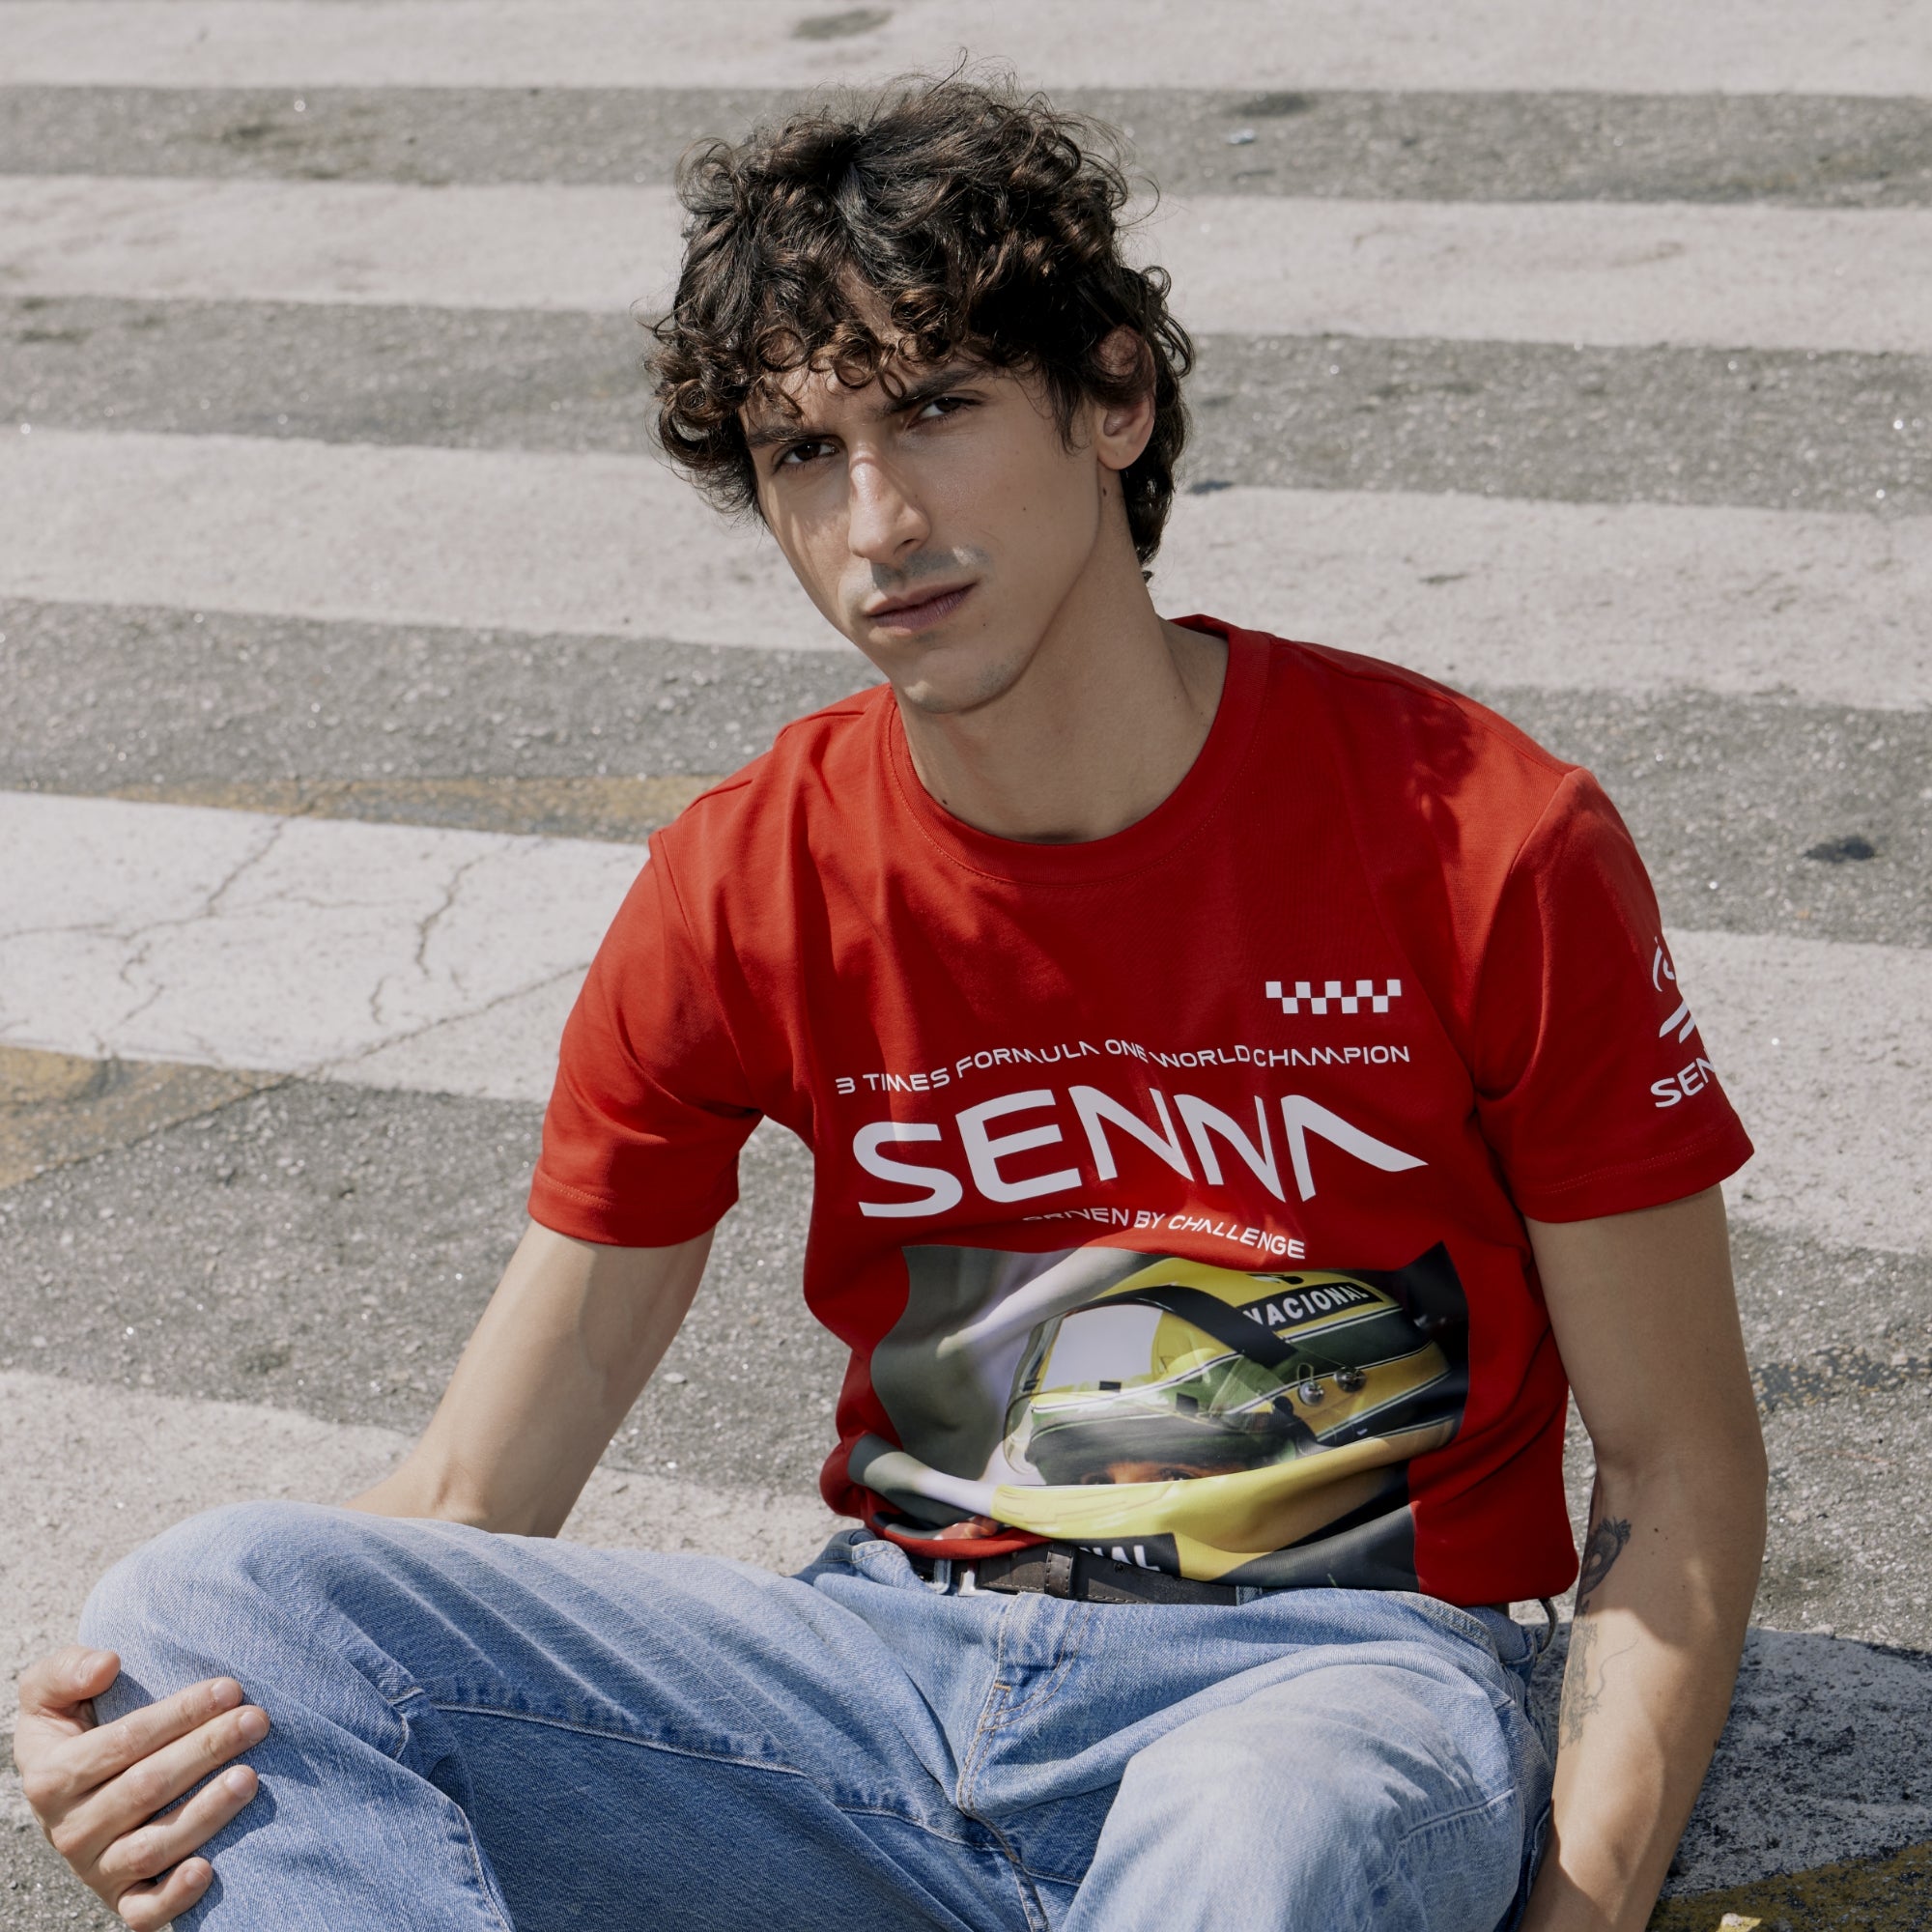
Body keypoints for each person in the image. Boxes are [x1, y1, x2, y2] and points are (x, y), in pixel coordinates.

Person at [14, 77, 1767, 1932]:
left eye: (933, 409)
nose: (876, 521)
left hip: (1328, 1678)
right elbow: (476, 1473)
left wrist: (1585, 1907)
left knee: (1265, 1839)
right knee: (200, 1613)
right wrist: (151, 1735)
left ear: (1116, 396)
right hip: (882, 1679)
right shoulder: (748, 874)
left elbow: (1678, 1462)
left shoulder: (1483, 838)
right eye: (798, 452)